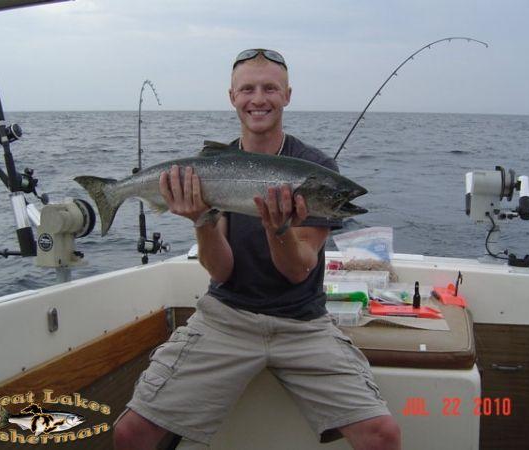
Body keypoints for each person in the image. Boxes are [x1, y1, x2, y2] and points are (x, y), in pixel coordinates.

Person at [114, 48, 401, 450]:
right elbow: (221, 270)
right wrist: (201, 218)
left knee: (383, 434)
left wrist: (276, 229)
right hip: (226, 319)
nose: (258, 99)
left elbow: (299, 269)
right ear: (232, 97)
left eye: (270, 88)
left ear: (287, 95)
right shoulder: (215, 166)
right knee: (130, 433)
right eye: (247, 89)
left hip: (303, 323)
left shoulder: (316, 167)